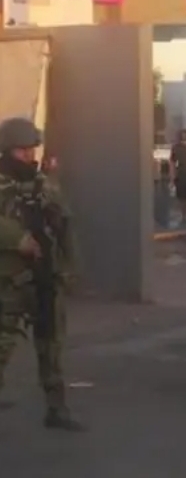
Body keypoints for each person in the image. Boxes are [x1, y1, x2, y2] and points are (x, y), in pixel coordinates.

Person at [0, 117, 85, 430]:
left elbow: (65, 225)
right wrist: (17, 239)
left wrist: (70, 267)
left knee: (51, 345)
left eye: (31, 149)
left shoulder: (43, 184)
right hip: (8, 280)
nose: (28, 155)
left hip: (45, 277)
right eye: (21, 150)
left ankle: (57, 408)